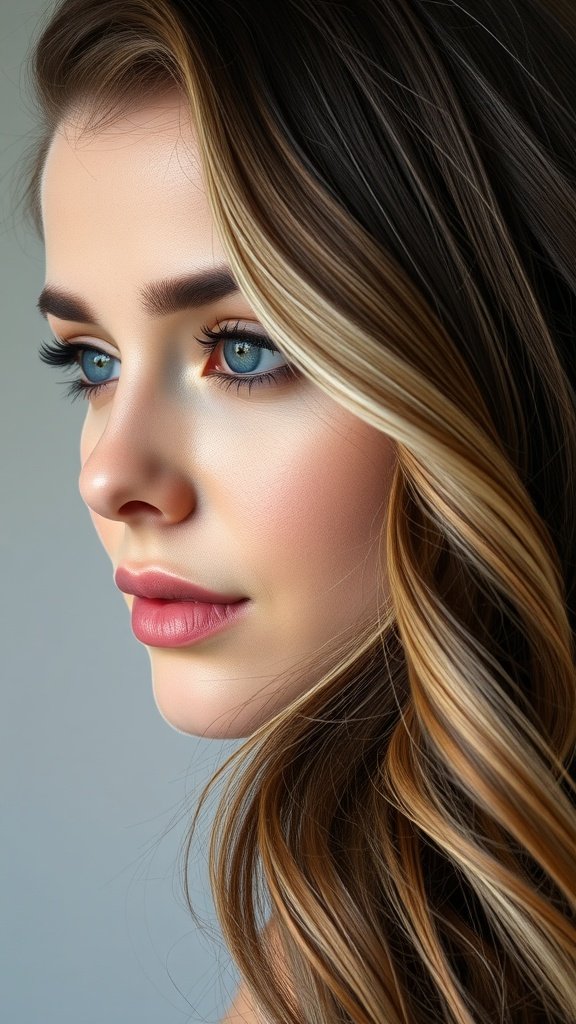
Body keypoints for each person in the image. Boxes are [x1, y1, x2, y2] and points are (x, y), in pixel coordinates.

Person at [19, 0, 576, 1021]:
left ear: (498, 362)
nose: (110, 477)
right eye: (90, 362)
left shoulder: (347, 982)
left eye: (244, 349)